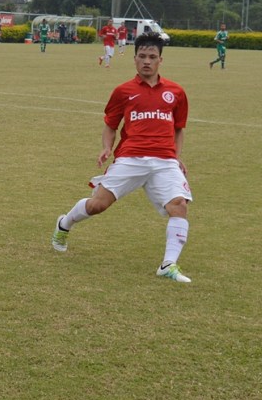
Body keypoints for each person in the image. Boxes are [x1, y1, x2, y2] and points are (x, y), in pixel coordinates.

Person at [51, 32, 193, 283]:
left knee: (179, 206)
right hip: (130, 158)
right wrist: (107, 147)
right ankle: (64, 223)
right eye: (142, 56)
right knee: (97, 206)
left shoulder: (176, 92)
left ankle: (168, 264)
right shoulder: (123, 91)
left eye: (152, 57)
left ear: (161, 60)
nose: (146, 61)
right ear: (135, 59)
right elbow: (111, 124)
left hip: (164, 160)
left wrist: (177, 157)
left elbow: (178, 128)